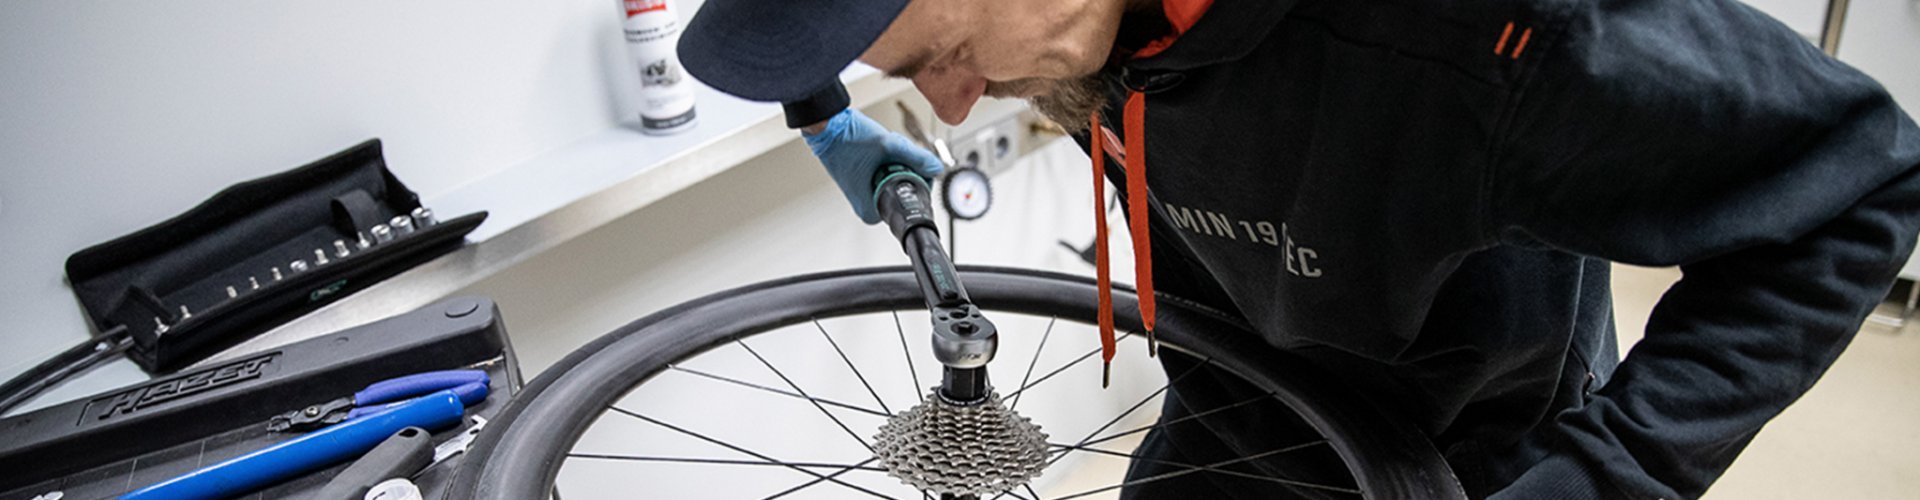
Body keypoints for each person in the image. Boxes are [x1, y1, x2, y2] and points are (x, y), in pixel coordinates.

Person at [678, 0, 1920, 498]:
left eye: (941, 54)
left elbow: (1859, 186)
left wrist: (1607, 478)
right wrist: (826, 109)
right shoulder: (1056, 17)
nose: (952, 107)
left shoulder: (1467, 30)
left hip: (1462, 447)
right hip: (1232, 409)